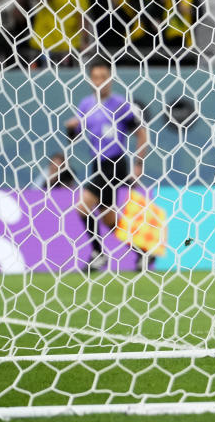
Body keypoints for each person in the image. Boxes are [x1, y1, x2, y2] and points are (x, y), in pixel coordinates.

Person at [64, 59, 149, 272]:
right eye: (96, 77)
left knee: (82, 207)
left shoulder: (120, 104)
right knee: (110, 220)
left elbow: (142, 134)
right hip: (97, 164)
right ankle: (141, 254)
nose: (100, 81)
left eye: (104, 77)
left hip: (115, 162)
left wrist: (138, 164)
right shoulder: (86, 105)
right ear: (91, 80)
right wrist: (71, 128)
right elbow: (73, 138)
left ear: (111, 79)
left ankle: (98, 254)